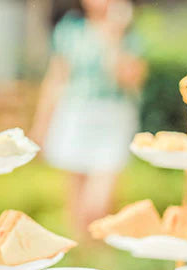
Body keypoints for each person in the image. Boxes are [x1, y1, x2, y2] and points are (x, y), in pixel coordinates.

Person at [30, 0, 147, 234]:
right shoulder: (71, 30)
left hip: (113, 116)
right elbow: (56, 79)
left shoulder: (129, 36)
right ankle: (85, 256)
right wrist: (41, 125)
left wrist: (114, 37)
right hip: (75, 113)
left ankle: (98, 250)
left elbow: (131, 79)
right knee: (75, 197)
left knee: (98, 202)